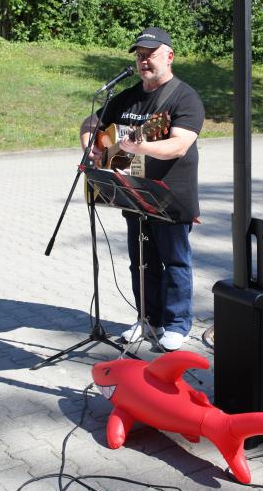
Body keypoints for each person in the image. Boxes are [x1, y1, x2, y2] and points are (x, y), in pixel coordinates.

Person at [80, 27, 205, 351]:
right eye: (139, 55)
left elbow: (179, 144)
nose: (144, 60)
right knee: (140, 261)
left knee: (174, 261)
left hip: (171, 194)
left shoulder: (183, 96)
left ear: (169, 55)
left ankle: (178, 325)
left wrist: (139, 147)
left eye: (150, 53)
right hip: (133, 191)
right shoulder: (128, 96)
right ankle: (148, 319)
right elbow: (90, 123)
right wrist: (93, 148)